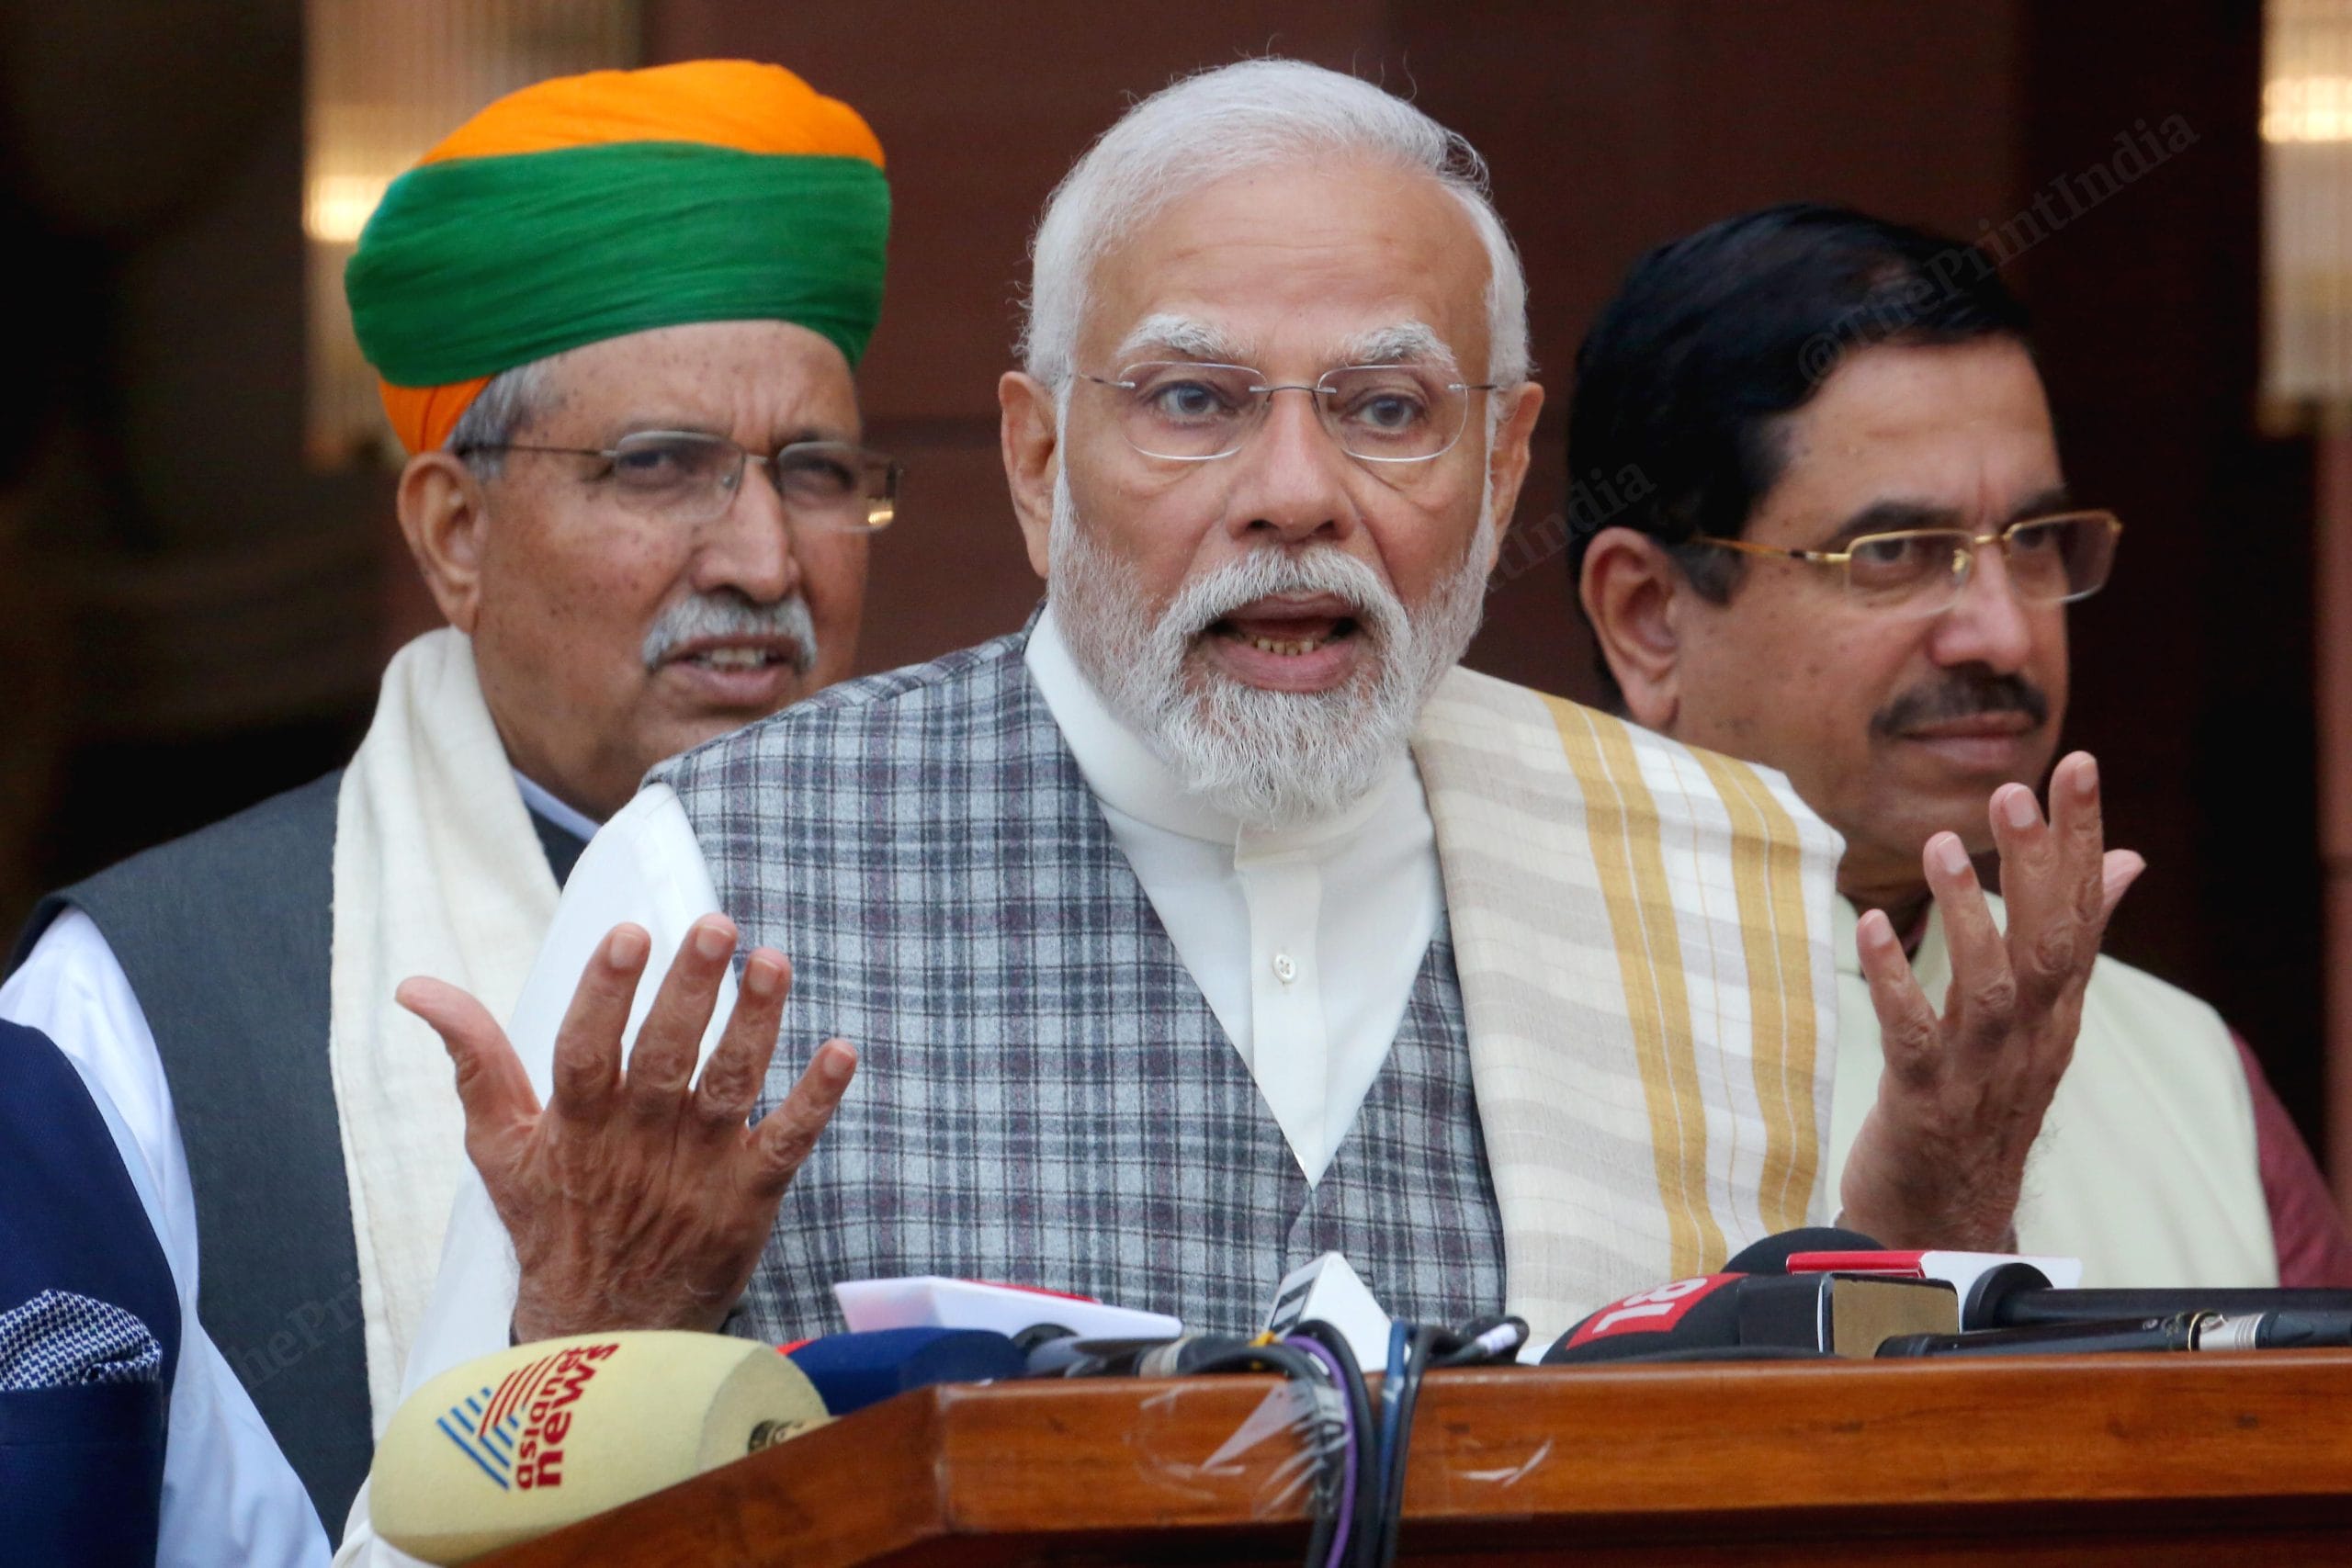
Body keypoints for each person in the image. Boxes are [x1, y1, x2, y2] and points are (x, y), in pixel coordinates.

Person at [363, 60, 2134, 1491]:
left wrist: (1937, 1215)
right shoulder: (718, 870)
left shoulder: (1717, 863)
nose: (1297, 491)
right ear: (1039, 456)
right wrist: (599, 1325)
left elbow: (1852, 1496)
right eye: (1196, 400)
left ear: (1505, 464)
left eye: (1386, 410)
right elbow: (442, 1534)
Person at [2, 59, 896, 1539]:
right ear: (456, 532)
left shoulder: (1023, 929)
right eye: (659, 466)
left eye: (812, 471)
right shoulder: (142, 1009)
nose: (761, 558)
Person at [1571, 201, 2352, 1287]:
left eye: (2032, 542)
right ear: (1648, 617)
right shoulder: (1484, 1034)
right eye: (1895, 552)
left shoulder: (2190, 1073)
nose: (2001, 630)